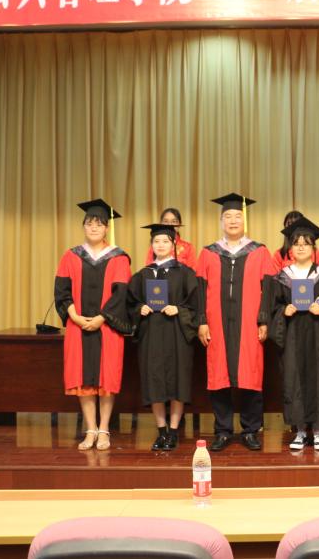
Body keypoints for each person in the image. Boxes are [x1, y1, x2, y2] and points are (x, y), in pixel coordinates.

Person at [196, 193, 276, 452]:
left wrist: (264, 320)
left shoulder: (259, 251)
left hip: (249, 323)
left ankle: (251, 430)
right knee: (218, 375)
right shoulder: (208, 253)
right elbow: (200, 290)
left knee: (251, 374)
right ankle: (222, 430)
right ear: (221, 221)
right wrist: (202, 321)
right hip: (217, 323)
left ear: (245, 220)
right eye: (228, 216)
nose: (232, 221)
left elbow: (269, 289)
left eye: (237, 216)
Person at [54, 199, 131, 451]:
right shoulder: (71, 256)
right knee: (83, 379)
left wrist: (101, 318)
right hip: (78, 326)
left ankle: (104, 429)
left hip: (107, 326)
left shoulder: (119, 257)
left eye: (99, 224)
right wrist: (75, 317)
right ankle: (90, 429)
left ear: (107, 228)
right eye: (89, 223)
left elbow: (121, 294)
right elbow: (61, 291)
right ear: (83, 226)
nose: (94, 227)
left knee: (107, 379)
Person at [261, 216, 319, 452]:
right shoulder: (281, 278)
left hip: (318, 336)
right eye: (296, 243)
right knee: (293, 378)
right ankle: (300, 431)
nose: (301, 247)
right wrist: (284, 310)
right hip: (293, 335)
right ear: (290, 249)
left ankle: (318, 431)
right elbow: (273, 307)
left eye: (306, 243)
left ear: (314, 248)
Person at [128, 223, 200, 451]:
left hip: (177, 334)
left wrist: (179, 309)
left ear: (174, 245)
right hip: (151, 335)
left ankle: (174, 432)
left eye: (165, 241)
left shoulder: (185, 273)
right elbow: (130, 303)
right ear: (151, 245)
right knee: (155, 381)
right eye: (156, 241)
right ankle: (161, 431)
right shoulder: (142, 275)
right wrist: (139, 309)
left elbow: (196, 304)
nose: (160, 245)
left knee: (178, 380)